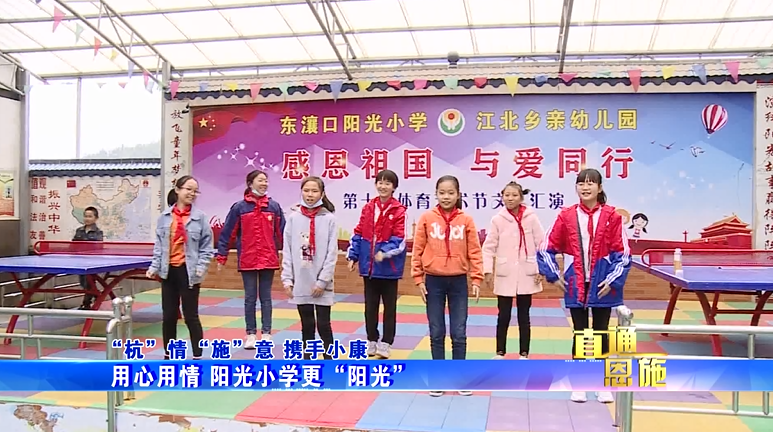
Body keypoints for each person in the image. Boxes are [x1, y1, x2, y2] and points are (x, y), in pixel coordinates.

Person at [537, 168, 631, 404]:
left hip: (602, 284)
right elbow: (545, 248)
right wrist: (553, 275)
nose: (585, 187)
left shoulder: (612, 216)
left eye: (590, 183)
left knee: (601, 332)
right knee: (580, 333)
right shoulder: (566, 216)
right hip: (576, 283)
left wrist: (613, 280)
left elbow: (623, 253)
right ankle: (579, 383)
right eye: (581, 183)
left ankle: (601, 384)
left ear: (600, 187)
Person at [411, 175, 483, 397]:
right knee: (436, 331)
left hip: (459, 281)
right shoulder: (426, 218)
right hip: (433, 281)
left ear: (458, 194)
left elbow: (474, 251)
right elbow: (417, 249)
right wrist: (418, 278)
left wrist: (477, 278)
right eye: (442, 192)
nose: (446, 197)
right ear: (436, 194)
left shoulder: (466, 220)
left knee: (459, 332)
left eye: (451, 193)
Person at [216, 170, 285, 349]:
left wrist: (290, 255)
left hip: (268, 258)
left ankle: (267, 333)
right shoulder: (239, 208)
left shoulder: (274, 207)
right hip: (248, 258)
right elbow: (228, 233)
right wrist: (222, 256)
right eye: (260, 180)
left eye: (266, 181)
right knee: (250, 298)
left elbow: (283, 233)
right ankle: (251, 334)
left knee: (266, 298)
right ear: (250, 183)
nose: (264, 183)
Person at [147, 175, 214, 360]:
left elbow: (207, 247)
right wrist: (154, 266)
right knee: (168, 316)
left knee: (190, 316)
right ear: (177, 190)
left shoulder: (200, 218)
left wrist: (201, 268)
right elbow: (159, 246)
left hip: (189, 272)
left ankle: (198, 355)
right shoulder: (164, 217)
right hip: (168, 272)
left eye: (195, 191)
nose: (192, 193)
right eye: (188, 189)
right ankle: (169, 354)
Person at [346, 169, 407, 359]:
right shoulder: (368, 208)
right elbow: (358, 233)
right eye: (380, 182)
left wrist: (384, 252)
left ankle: (386, 343)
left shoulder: (399, 210)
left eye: (388, 183)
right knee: (370, 308)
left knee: (389, 308)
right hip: (369, 269)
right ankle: (371, 340)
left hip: (389, 270)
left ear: (394, 187)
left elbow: (399, 239)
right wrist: (353, 256)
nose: (383, 186)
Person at [482, 181, 544, 359]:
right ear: (502, 197)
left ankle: (524, 353)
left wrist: (542, 269)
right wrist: (487, 270)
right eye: (507, 195)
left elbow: (542, 244)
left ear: (521, 197)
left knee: (524, 316)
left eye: (514, 195)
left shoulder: (531, 218)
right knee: (503, 315)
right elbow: (488, 247)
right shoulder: (497, 220)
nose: (510, 198)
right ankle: (500, 352)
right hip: (505, 272)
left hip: (527, 272)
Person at [281, 176, 338, 360]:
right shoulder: (293, 218)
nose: (310, 195)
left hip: (322, 281)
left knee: (323, 324)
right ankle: (309, 360)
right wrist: (287, 279)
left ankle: (329, 360)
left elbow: (332, 253)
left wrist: (322, 281)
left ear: (322, 193)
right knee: (307, 324)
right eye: (306, 191)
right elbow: (287, 250)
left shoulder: (329, 219)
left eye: (314, 191)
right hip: (301, 279)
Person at [72, 206, 104, 310]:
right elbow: (73, 244)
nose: (87, 218)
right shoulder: (79, 231)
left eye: (90, 216)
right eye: (85, 216)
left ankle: (86, 303)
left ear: (96, 218)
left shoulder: (98, 232)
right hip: (80, 261)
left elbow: (98, 246)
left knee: (89, 282)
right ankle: (97, 295)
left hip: (92, 261)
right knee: (83, 282)